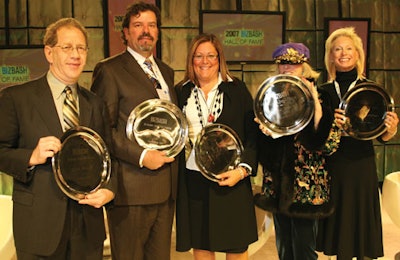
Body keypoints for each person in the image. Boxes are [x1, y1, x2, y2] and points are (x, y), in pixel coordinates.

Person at [0, 17, 116, 259]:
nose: (76, 54)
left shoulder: (95, 103)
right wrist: (30, 156)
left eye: (81, 48)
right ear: (49, 52)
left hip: (87, 227)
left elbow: (109, 155)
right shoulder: (16, 98)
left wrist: (109, 190)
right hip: (38, 226)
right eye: (67, 47)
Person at [90, 2, 178, 260]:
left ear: (158, 32)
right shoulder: (109, 70)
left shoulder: (166, 72)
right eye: (138, 25)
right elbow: (103, 130)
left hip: (166, 188)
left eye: (151, 25)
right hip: (131, 189)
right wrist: (141, 156)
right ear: (126, 33)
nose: (146, 31)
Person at [316, 27, 399, 259]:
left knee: (361, 224)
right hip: (334, 165)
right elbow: (314, 134)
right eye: (337, 49)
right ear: (330, 56)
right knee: (340, 228)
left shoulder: (372, 90)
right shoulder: (321, 92)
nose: (343, 53)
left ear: (358, 54)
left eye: (349, 48)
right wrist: (333, 125)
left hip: (362, 163)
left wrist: (391, 129)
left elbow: (381, 134)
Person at [174, 33, 258, 260]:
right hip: (194, 180)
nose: (205, 61)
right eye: (198, 56)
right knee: (201, 243)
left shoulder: (237, 90)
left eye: (211, 55)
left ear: (219, 58)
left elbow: (253, 136)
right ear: (191, 60)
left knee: (236, 246)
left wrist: (242, 171)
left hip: (231, 180)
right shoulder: (181, 91)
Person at [254, 43, 336, 260]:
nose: (288, 68)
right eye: (283, 64)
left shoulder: (322, 96)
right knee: (284, 249)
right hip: (279, 183)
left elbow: (326, 144)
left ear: (304, 66)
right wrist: (265, 133)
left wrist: (316, 107)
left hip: (308, 185)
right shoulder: (270, 96)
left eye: (294, 63)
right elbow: (264, 149)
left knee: (304, 250)